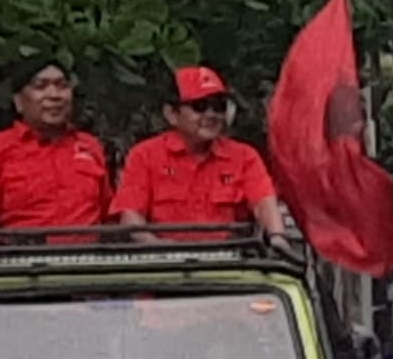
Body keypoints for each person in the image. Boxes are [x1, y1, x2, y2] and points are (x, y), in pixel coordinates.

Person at [110, 66, 290, 243]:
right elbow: (131, 218)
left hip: (228, 263)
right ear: (172, 114)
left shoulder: (244, 157)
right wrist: (162, 250)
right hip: (164, 263)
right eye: (200, 106)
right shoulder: (144, 156)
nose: (211, 114)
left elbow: (264, 205)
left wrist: (277, 239)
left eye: (219, 106)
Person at [0, 57, 111, 240]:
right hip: (19, 262)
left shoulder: (90, 146)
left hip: (86, 263)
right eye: (40, 86)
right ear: (19, 102)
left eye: (62, 85)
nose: (54, 95)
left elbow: (109, 216)